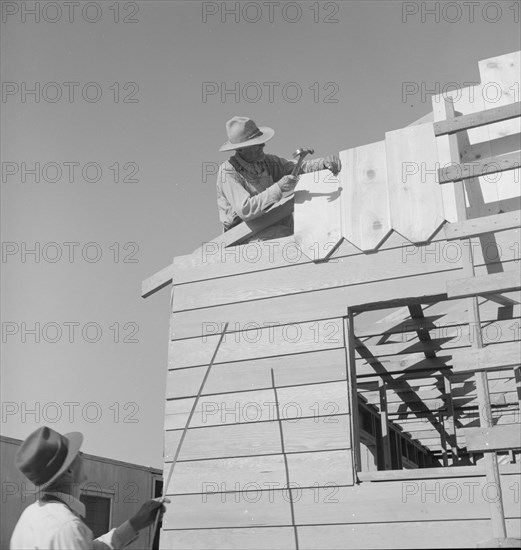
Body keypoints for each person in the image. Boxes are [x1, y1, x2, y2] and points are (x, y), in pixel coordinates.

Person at [10, 426, 169, 549]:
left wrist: (136, 523)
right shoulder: (66, 526)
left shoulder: (31, 515)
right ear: (69, 471)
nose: (82, 455)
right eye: (77, 453)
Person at [217, 115, 342, 241]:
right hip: (245, 238)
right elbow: (245, 209)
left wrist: (323, 163)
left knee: (306, 233)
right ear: (240, 150)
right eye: (256, 144)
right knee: (294, 238)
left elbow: (300, 167)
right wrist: (278, 188)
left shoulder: (268, 162)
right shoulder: (228, 172)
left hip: (277, 229)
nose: (263, 145)